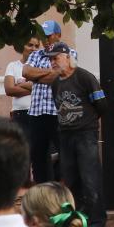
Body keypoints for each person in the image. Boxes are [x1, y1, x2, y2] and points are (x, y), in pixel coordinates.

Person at [48, 43, 111, 227]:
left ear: (67, 57)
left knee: (90, 177)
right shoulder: (56, 82)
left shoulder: (85, 77)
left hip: (85, 134)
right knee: (70, 179)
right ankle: (75, 220)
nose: (53, 62)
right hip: (65, 134)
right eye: (51, 59)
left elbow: (102, 105)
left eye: (56, 58)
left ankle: (97, 221)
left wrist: (88, 123)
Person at [19, 19, 73, 184]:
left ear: (58, 35)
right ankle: (44, 191)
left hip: (57, 112)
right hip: (36, 112)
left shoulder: (69, 53)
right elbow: (26, 72)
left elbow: (60, 75)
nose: (45, 41)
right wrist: (50, 72)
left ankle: (65, 190)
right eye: (43, 37)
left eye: (49, 36)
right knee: (38, 156)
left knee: (65, 154)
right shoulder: (36, 54)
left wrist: (39, 76)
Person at [3, 35, 43, 143]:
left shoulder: (41, 67)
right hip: (20, 116)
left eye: (36, 46)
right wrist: (35, 86)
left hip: (39, 115)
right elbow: (9, 90)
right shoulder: (13, 66)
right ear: (22, 46)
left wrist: (20, 84)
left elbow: (45, 87)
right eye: (30, 45)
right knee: (22, 151)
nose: (33, 49)